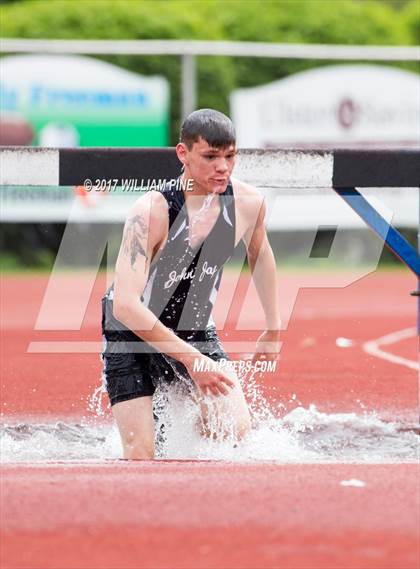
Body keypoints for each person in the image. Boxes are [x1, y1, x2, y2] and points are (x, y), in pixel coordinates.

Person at [101, 109, 280, 459]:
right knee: (141, 453)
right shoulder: (150, 211)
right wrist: (193, 362)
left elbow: (260, 255)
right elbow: (125, 305)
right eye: (210, 157)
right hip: (131, 330)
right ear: (183, 154)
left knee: (233, 429)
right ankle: (151, 421)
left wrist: (273, 327)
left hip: (194, 326)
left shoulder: (248, 203)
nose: (222, 167)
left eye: (230, 157)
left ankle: (171, 424)